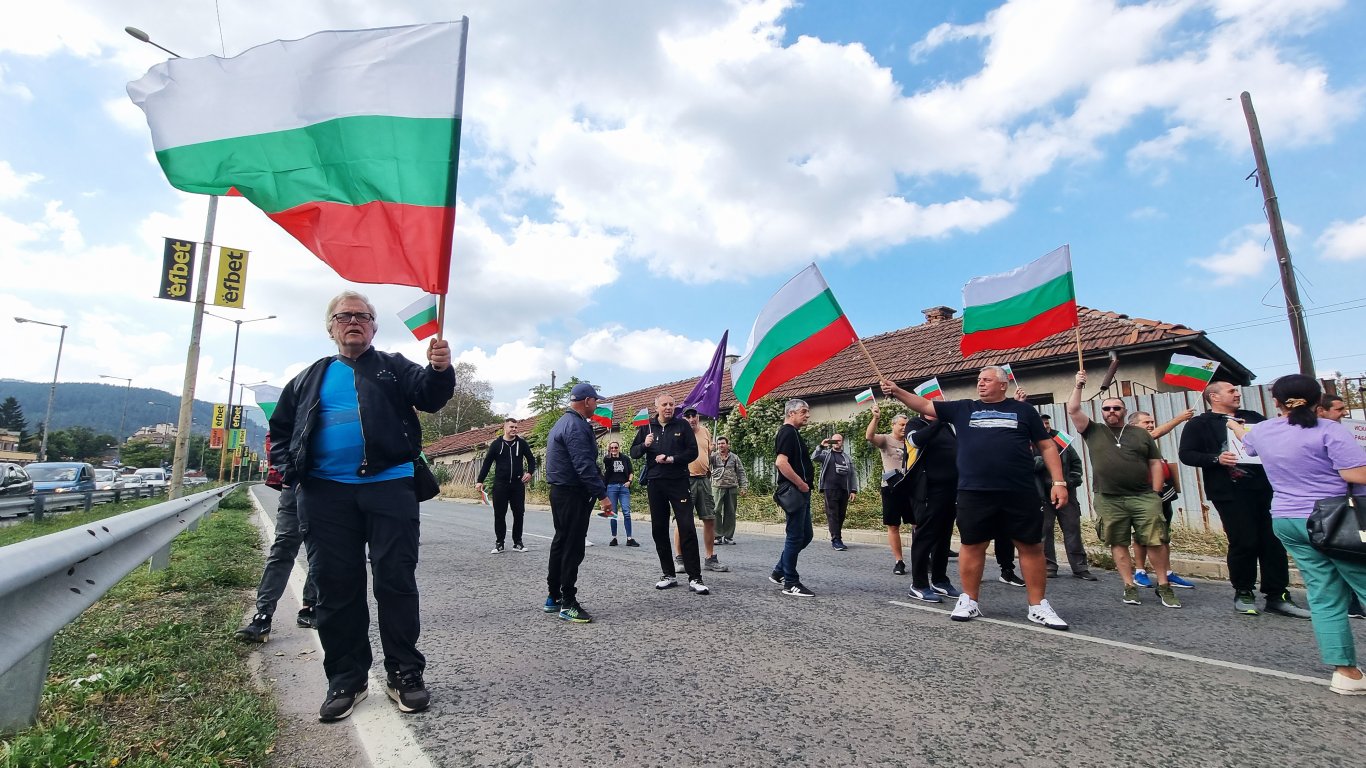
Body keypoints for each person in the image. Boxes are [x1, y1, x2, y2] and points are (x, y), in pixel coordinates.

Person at [269, 290, 454, 722]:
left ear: (373, 326)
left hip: (390, 487)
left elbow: (429, 395)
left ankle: (405, 674)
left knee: (396, 581)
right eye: (343, 315)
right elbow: (280, 431)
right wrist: (291, 473)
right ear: (330, 327)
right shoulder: (309, 377)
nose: (353, 321)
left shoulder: (393, 367)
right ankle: (346, 679)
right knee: (335, 586)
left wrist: (441, 369)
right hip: (325, 493)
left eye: (362, 315)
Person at [882, 367, 1070, 630]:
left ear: (1003, 385)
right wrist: (898, 391)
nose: (980, 384)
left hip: (1020, 491)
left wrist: (1058, 482)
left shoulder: (1023, 411)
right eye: (979, 380)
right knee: (972, 545)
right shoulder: (964, 408)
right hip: (974, 492)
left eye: (987, 380)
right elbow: (924, 404)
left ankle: (1038, 606)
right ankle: (969, 599)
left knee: (1030, 546)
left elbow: (1047, 445)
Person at [1241, 374, 1366, 694]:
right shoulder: (1329, 430)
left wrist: (1235, 427)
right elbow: (1354, 473)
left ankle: (1345, 672)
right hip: (1337, 517)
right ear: (1318, 400)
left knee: (1323, 594)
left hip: (1287, 519)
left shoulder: (1264, 430)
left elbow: (1249, 445)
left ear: (1275, 401)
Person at [1179, 381, 1310, 618]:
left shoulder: (1253, 418)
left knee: (1273, 542)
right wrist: (1216, 459)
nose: (1237, 393)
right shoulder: (1199, 424)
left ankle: (1277, 596)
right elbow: (1187, 455)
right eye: (1231, 391)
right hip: (1229, 492)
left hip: (1266, 489)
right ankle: (1244, 592)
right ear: (1214, 397)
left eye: (1236, 390)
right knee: (1244, 541)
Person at [1067, 372, 1180, 608]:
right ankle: (1129, 586)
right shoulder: (1093, 430)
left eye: (1116, 408)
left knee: (1155, 541)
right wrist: (1078, 386)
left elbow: (1154, 463)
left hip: (1143, 496)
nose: (1111, 412)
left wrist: (1156, 493)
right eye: (1107, 408)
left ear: (1124, 411)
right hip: (1108, 498)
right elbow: (1074, 410)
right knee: (1118, 542)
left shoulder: (1140, 434)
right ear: (1102, 411)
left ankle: (1163, 586)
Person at [543, 383, 614, 623]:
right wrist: (603, 496)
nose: (597, 405)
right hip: (572, 494)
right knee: (572, 547)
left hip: (561, 492)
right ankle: (569, 603)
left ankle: (553, 596)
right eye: (595, 401)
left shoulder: (562, 423)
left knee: (561, 542)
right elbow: (584, 465)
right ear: (586, 401)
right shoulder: (576, 426)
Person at [630, 393, 709, 594]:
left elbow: (693, 452)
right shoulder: (647, 427)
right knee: (659, 528)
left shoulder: (682, 426)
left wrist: (673, 459)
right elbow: (634, 453)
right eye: (664, 404)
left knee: (687, 527)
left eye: (672, 404)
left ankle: (695, 577)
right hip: (655, 483)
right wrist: (645, 445)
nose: (668, 407)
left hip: (678, 482)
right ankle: (668, 574)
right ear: (656, 406)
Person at [234, 483, 320, 642]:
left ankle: (310, 608)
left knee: (321, 551)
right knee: (283, 549)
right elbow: (277, 456)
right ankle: (263, 615)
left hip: (328, 487)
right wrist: (287, 471)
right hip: (295, 487)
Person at [1127, 409, 1197, 589]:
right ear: (1133, 426)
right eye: (1146, 422)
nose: (1151, 425)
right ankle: (1140, 572)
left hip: (1163, 494)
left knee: (1163, 534)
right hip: (1143, 496)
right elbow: (1157, 433)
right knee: (1142, 535)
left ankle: (1167, 572)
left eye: (1152, 422)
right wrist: (1180, 418)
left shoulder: (1149, 444)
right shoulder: (1131, 439)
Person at [903, 409, 961, 602]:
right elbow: (916, 441)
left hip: (949, 489)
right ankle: (918, 584)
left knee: (943, 537)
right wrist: (938, 422)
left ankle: (940, 580)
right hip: (927, 490)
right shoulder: (915, 424)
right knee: (924, 537)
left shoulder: (947, 427)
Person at [1316, 394, 1364, 619]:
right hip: (1340, 506)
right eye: (1338, 409)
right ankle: (1353, 603)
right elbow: (1352, 472)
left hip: (1353, 502)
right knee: (1350, 554)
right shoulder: (1325, 434)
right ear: (1321, 411)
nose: (1345, 413)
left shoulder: (1345, 431)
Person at [1036, 414, 1095, 581]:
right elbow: (1027, 464)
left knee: (1072, 529)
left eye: (1047, 423)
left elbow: (1076, 463)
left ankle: (1080, 568)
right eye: (1042, 424)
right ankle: (1049, 566)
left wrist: (1072, 481)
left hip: (1066, 493)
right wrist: (1045, 459)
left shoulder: (1061, 440)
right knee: (1044, 531)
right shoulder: (1028, 439)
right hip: (1042, 494)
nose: (1046, 426)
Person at [769, 399, 817, 596]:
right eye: (803, 411)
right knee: (796, 536)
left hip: (802, 492)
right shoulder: (787, 432)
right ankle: (791, 582)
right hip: (795, 491)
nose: (807, 415)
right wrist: (801, 484)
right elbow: (781, 463)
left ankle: (779, 571)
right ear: (791, 413)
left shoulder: (793, 433)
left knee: (806, 535)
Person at [475, 418, 536, 554]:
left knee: (519, 513)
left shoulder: (522, 443)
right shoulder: (496, 444)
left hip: (517, 484)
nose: (514, 429)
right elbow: (487, 463)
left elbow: (531, 460)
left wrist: (530, 472)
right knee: (499, 514)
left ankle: (517, 542)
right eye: (511, 427)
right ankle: (499, 543)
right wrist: (480, 480)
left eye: (516, 427)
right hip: (500, 484)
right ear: (505, 428)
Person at [865, 406, 911, 574]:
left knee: (917, 524)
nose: (904, 427)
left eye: (907, 424)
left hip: (910, 488)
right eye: (901, 424)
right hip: (891, 489)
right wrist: (876, 418)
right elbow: (869, 436)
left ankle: (923, 556)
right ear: (893, 425)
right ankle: (899, 561)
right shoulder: (885, 439)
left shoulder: (911, 441)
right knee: (893, 525)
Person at [684, 407, 729, 572]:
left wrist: (710, 452)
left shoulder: (705, 431)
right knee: (683, 520)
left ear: (698, 417)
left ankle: (710, 558)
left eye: (693, 415)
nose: (691, 419)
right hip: (686, 480)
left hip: (704, 479)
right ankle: (680, 558)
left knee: (710, 519)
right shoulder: (680, 432)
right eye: (687, 416)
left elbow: (706, 453)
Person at [811, 433, 858, 551]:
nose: (837, 442)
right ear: (831, 442)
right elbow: (814, 457)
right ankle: (835, 540)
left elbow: (852, 474)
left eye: (839, 440)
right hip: (830, 489)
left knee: (841, 515)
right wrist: (821, 446)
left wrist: (853, 490)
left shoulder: (846, 457)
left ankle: (838, 538)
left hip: (844, 489)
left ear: (842, 442)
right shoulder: (826, 455)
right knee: (833, 514)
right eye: (835, 440)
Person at [710, 436, 746, 545]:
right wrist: (709, 450)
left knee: (730, 512)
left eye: (723, 443)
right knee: (715, 511)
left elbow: (741, 472)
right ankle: (717, 535)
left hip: (732, 487)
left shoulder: (734, 457)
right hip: (717, 487)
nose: (721, 445)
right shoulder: (713, 456)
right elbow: (705, 464)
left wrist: (743, 486)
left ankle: (728, 536)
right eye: (719, 443)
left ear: (727, 444)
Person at [602, 441, 638, 547]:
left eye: (615, 447)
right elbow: (606, 463)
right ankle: (614, 538)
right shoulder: (607, 459)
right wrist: (609, 455)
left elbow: (631, 472)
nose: (614, 449)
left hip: (623, 487)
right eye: (612, 448)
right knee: (613, 513)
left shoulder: (625, 458)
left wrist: (629, 482)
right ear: (609, 449)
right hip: (611, 487)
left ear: (619, 448)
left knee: (626, 512)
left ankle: (629, 538)